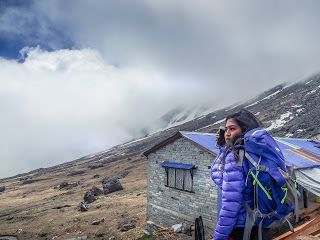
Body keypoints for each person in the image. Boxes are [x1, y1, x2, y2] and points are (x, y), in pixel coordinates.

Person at [211, 109, 271, 240]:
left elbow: (231, 204)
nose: (227, 133)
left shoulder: (234, 157)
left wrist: (219, 236)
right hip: (257, 220)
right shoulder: (253, 150)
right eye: (226, 129)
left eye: (232, 129)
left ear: (244, 130)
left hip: (241, 227)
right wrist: (223, 146)